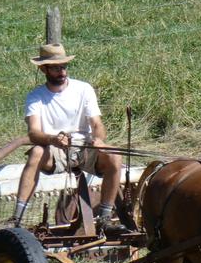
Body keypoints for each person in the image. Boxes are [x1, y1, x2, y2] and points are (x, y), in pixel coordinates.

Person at [10, 43, 127, 235]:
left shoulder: (83, 89)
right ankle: (17, 218)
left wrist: (98, 139)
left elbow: (97, 124)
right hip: (53, 149)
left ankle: (105, 218)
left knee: (114, 156)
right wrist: (53, 139)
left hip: (84, 145)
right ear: (43, 69)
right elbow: (33, 133)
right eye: (56, 68)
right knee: (36, 153)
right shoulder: (35, 97)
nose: (62, 72)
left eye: (63, 66)